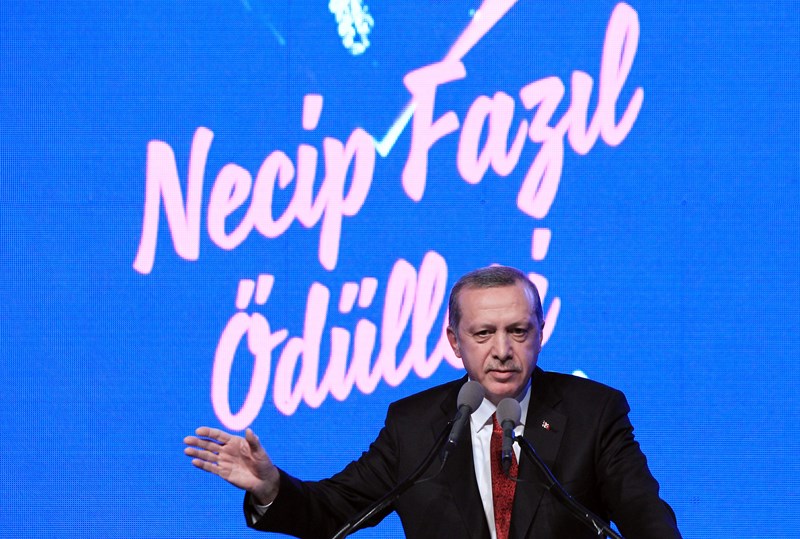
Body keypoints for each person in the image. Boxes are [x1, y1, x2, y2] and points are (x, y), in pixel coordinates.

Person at [184, 266, 682, 538]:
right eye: (483, 333)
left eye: (518, 331)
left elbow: (644, 515)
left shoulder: (595, 412)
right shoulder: (415, 425)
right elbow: (334, 510)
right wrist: (272, 487)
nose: (502, 350)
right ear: (454, 341)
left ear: (540, 333)